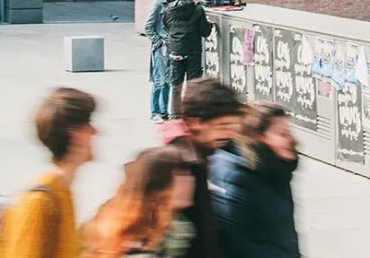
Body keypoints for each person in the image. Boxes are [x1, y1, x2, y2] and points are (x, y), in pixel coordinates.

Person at [0, 87, 97, 258]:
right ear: (74, 134)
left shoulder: (63, 192)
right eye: (89, 124)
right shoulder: (39, 202)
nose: (95, 132)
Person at [159, 77, 243, 258]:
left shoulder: (199, 157)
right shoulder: (182, 168)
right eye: (223, 125)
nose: (229, 134)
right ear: (195, 122)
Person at [209, 103, 300, 258]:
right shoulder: (241, 178)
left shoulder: (278, 171)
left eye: (289, 132)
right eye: (282, 134)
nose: (292, 139)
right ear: (260, 137)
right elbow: (238, 244)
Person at [82, 147, 195, 258]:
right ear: (157, 187)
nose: (190, 182)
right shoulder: (135, 235)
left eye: (188, 174)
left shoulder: (179, 228)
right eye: (180, 175)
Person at [162, 0, 213, 119]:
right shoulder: (197, 9)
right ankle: (191, 114)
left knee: (175, 85)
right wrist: (210, 26)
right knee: (193, 84)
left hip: (175, 51)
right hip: (193, 51)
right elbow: (205, 32)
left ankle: (175, 115)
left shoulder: (168, 9)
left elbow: (166, 26)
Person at [144, 0, 179, 123]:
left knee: (168, 81)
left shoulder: (176, 3)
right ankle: (155, 112)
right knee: (159, 81)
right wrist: (158, 42)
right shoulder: (159, 4)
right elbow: (148, 26)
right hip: (161, 48)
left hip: (172, 47)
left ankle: (164, 112)